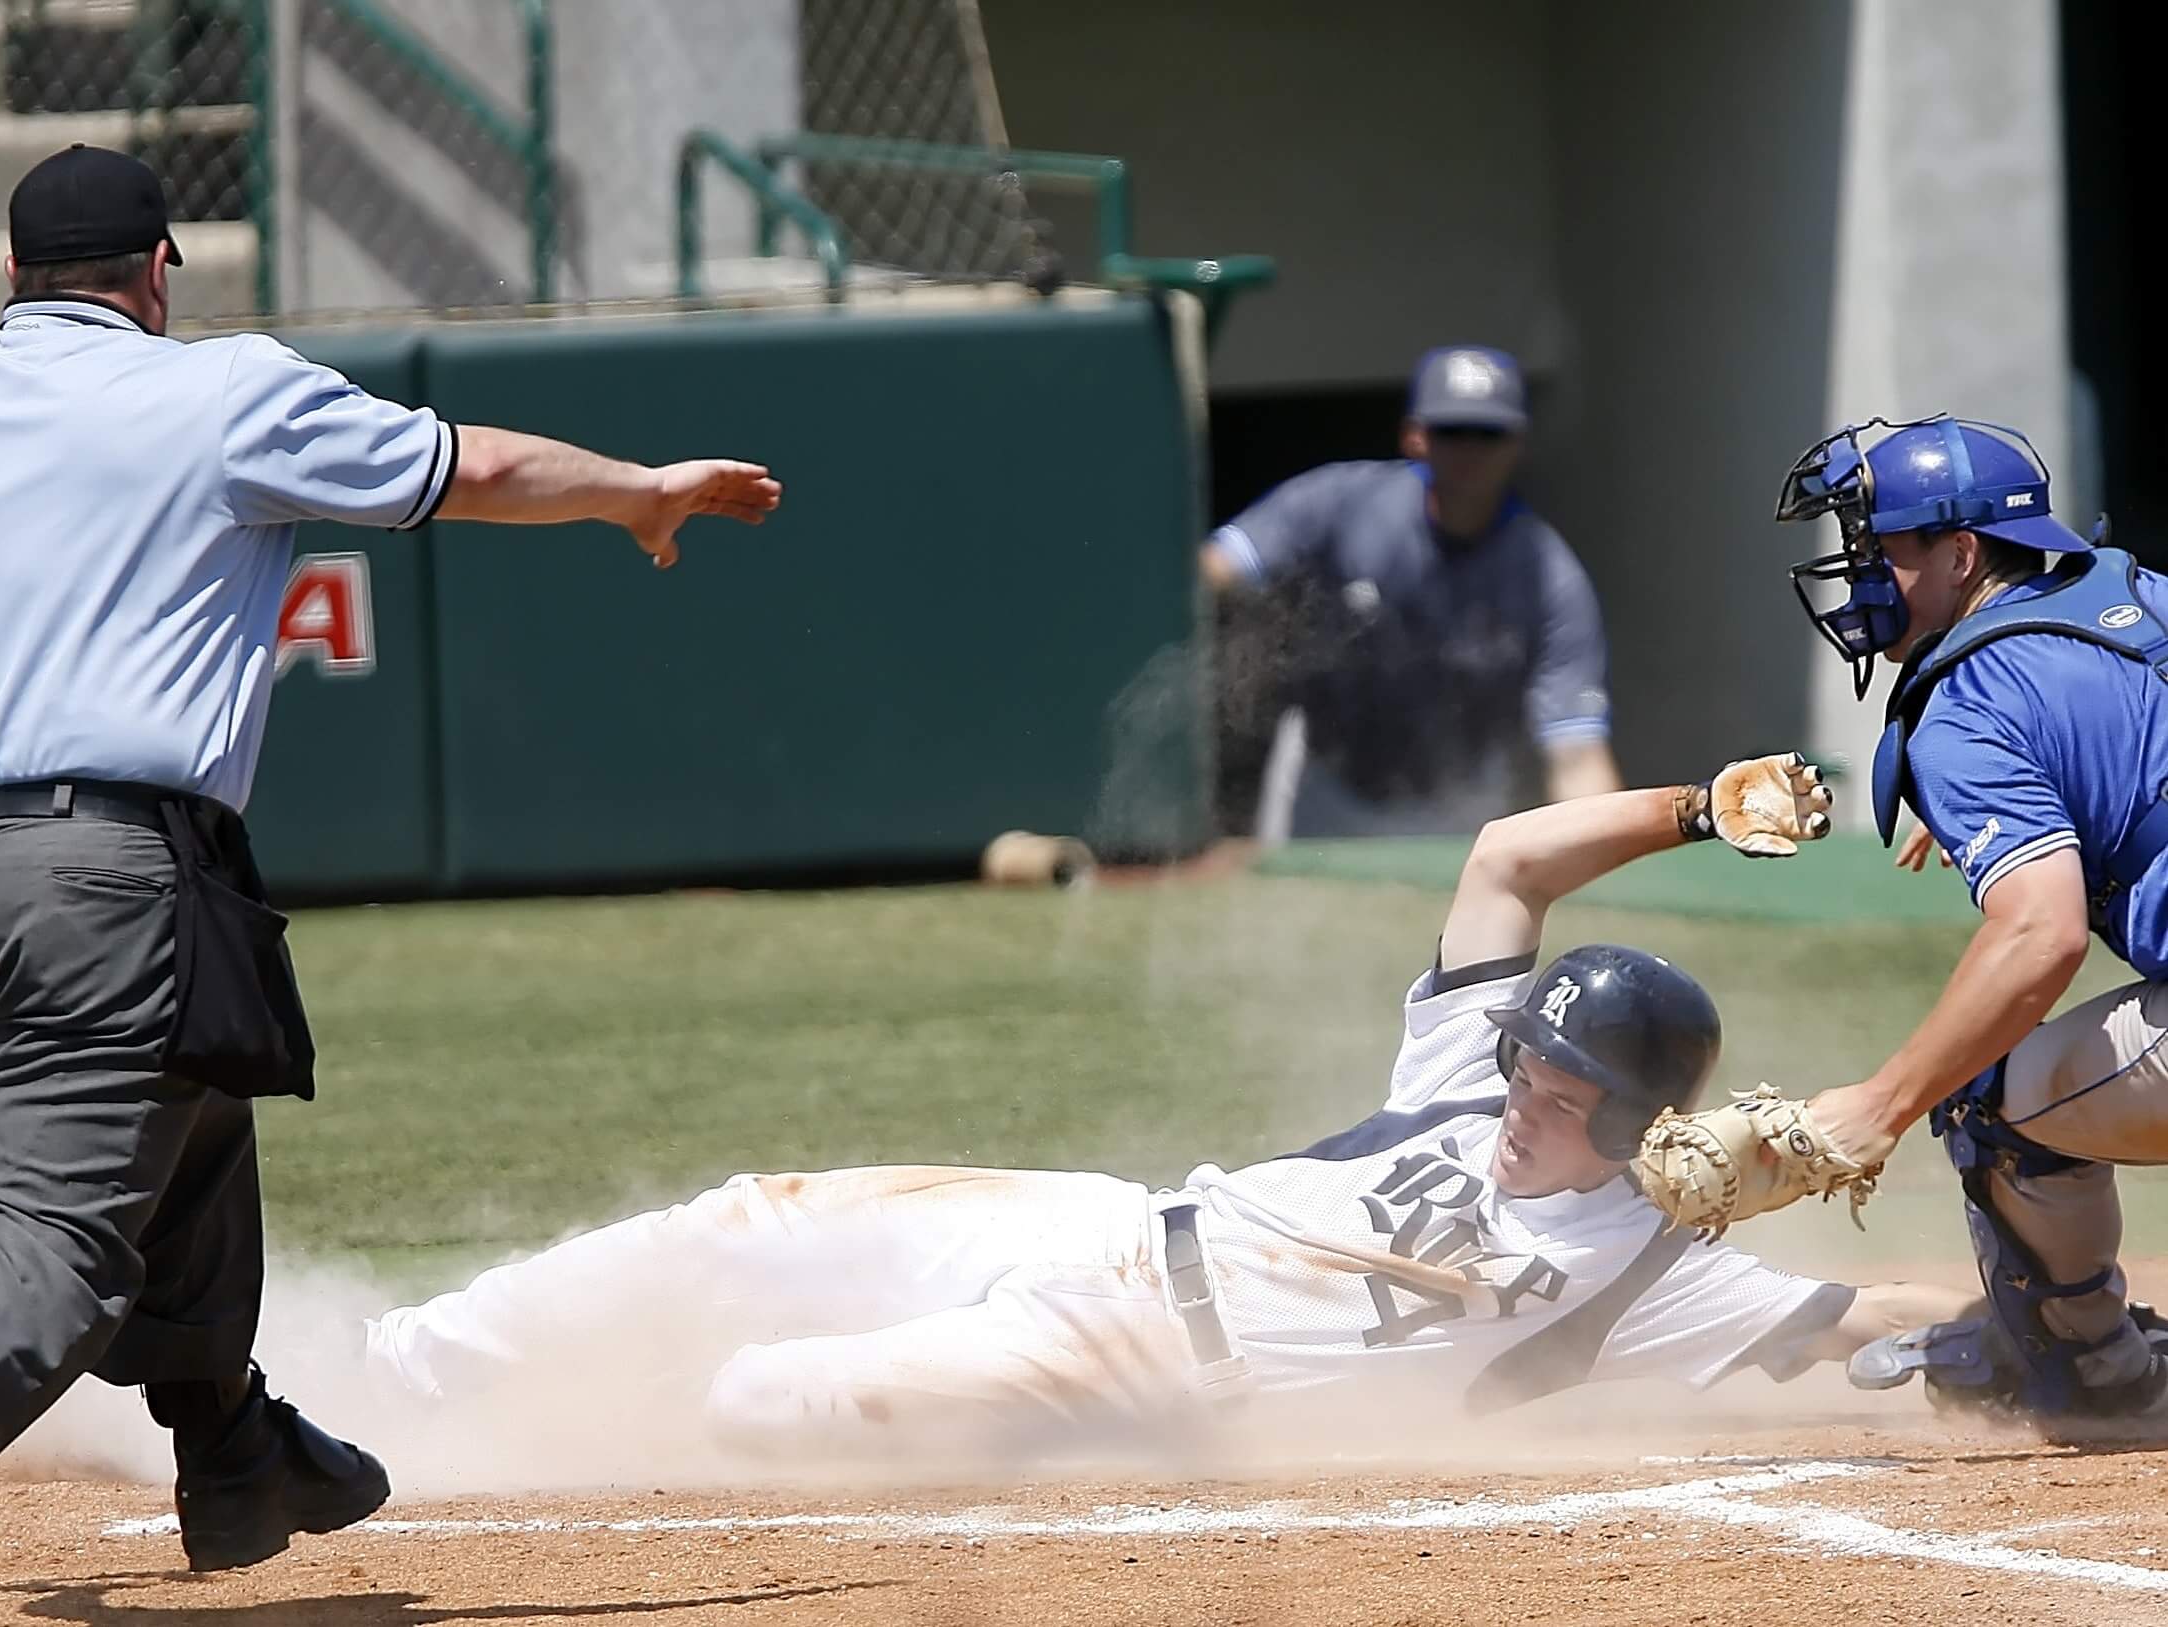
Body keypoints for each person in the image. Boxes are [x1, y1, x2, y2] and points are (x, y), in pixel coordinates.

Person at [0, 144, 781, 1627]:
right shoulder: (221, 390)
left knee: (194, 1093)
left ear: (12, 277)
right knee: (55, 1256)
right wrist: (637, 492)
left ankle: (231, 1446)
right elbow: (467, 466)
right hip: (98, 880)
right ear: (160, 270)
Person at [351, 755, 1965, 1464]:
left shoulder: (1651, 1271)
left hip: (1136, 1363)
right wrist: (1695, 807)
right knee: (740, 1223)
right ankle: (387, 1379)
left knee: (763, 1403)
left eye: (1558, 1093)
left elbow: (1867, 1307)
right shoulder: (1452, 1096)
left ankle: (564, 1428)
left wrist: (2048, 1315)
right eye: (1522, 1070)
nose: (1519, 1103)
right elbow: (1500, 858)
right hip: (1106, 1225)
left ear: (1632, 1119)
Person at [1746, 414, 2168, 1433]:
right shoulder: (2141, 594)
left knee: (1983, 1094)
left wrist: (1880, 1104)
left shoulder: (1967, 702)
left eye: (1877, 542)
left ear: (1962, 553)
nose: (1859, 569)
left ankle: (2093, 1372)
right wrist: (2030, 798)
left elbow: (2040, 934)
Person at [1201, 346, 1623, 841]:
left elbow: (1575, 753)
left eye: (1489, 433)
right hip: (1327, 787)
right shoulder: (1341, 501)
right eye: (1452, 431)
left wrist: (1610, 866)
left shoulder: (1550, 578)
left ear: (1519, 444)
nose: (1470, 450)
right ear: (1415, 436)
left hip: (1462, 806)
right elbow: (1214, 570)